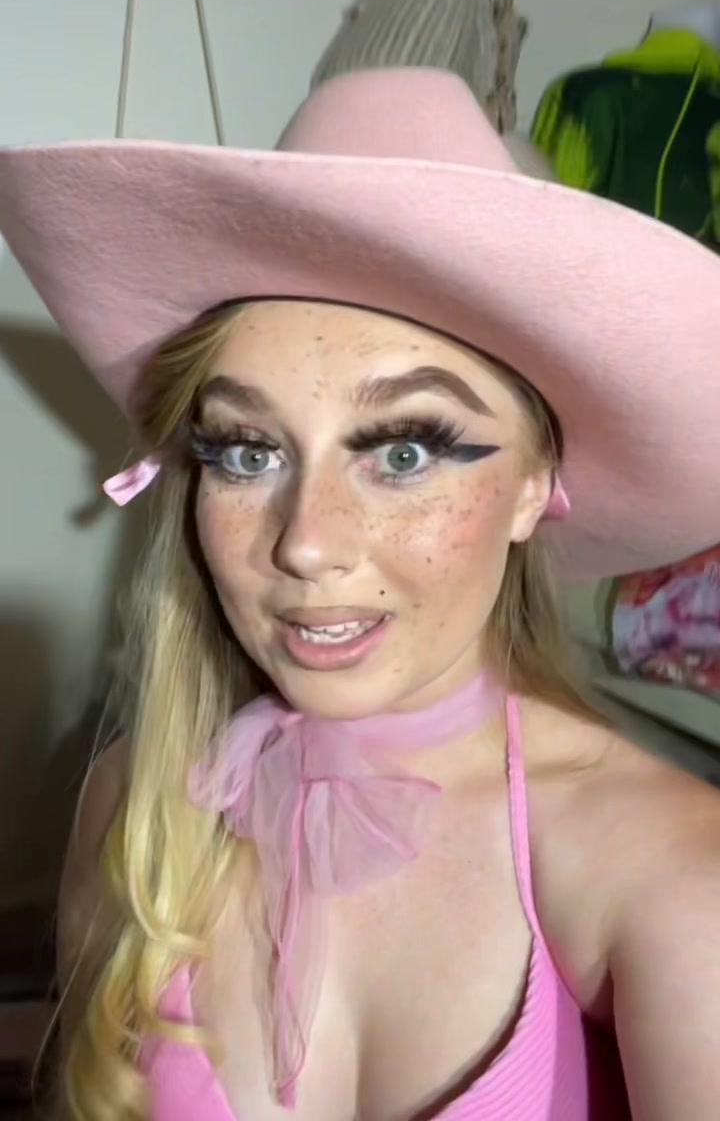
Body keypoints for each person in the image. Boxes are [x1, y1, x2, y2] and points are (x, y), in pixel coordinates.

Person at [1, 67, 719, 1121]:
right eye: (248, 451)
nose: (306, 542)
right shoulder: (134, 811)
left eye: (404, 451)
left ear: (534, 485)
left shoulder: (668, 867)